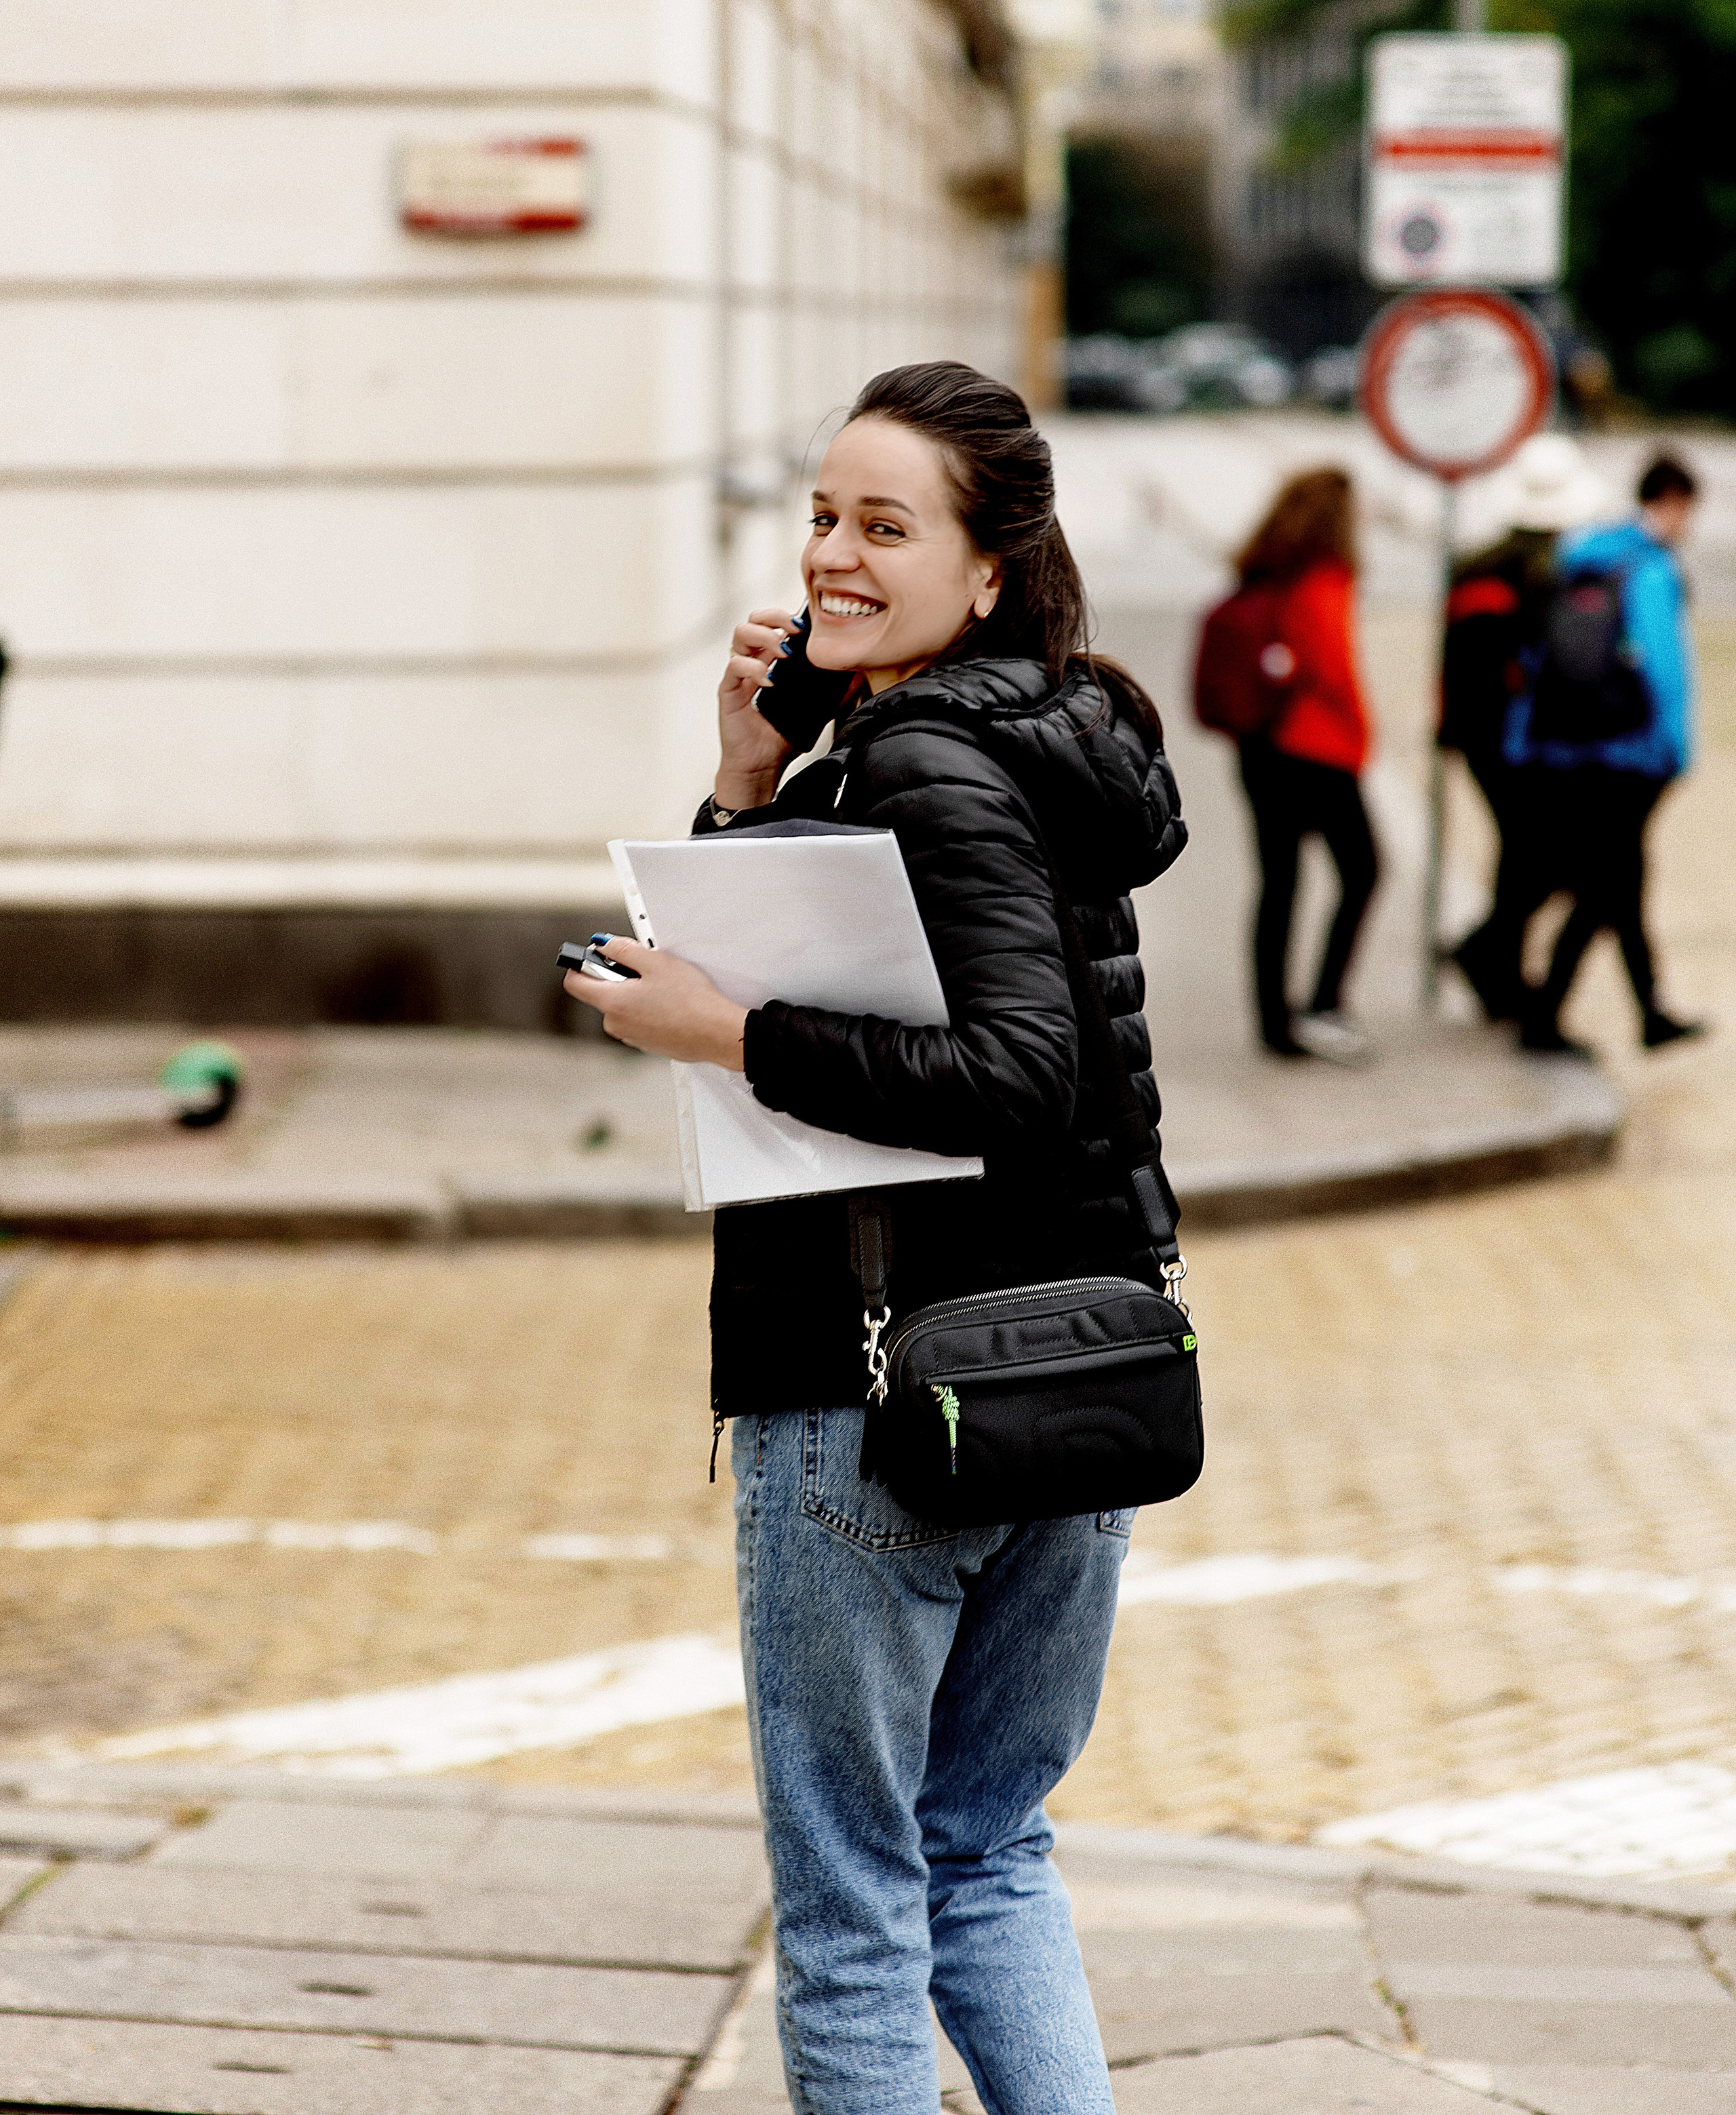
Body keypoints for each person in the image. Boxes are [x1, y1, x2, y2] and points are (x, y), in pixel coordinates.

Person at [566, 360, 1187, 2114]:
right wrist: (745, 783)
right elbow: (888, 976)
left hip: (879, 1387)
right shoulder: (1039, 740)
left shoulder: (924, 758)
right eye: (825, 514)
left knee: (857, 1900)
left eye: (885, 525)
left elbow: (1011, 1068)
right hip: (1075, 1367)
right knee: (986, 1844)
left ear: (990, 568)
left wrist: (726, 1033)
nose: (834, 556)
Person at [1517, 452, 1706, 1054]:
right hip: (1629, 754)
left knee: (1619, 880)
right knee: (1607, 885)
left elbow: (1537, 658)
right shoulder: (1649, 569)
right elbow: (1663, 669)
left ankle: (1649, 1010)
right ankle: (1542, 1016)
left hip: (1568, 749)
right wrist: (1676, 749)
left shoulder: (1580, 557)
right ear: (1675, 502)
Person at [1442, 435, 1609, 1021]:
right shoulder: (1532, 582)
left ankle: (1498, 971)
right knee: (1542, 860)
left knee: (1522, 857)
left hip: (1478, 737)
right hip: (1514, 742)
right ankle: (1489, 960)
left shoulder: (1474, 571)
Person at [1225, 469, 1379, 1063]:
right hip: (1317, 747)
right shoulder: (1326, 578)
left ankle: (1274, 1020)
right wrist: (1365, 732)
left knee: (1279, 882)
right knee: (1364, 870)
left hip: (1259, 746)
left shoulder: (1267, 570)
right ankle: (1324, 1003)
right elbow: (1334, 668)